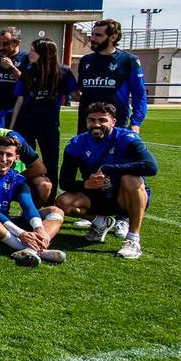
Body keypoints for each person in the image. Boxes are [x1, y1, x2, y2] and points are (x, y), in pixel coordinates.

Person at [57, 103, 158, 259]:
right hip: (97, 196)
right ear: (86, 122)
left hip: (124, 197)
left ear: (113, 122)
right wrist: (85, 184)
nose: (96, 124)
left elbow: (151, 167)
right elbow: (64, 182)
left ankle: (133, 239)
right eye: (92, 120)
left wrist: (109, 169)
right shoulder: (77, 144)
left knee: (132, 179)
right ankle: (101, 222)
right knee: (63, 202)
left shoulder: (126, 138)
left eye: (102, 120)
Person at [0, 135, 66, 266]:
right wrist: (21, 233)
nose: (3, 159)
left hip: (4, 225)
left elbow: (29, 208)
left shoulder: (18, 178)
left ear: (17, 158)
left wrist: (38, 228)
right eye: (0, 153)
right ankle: (27, 248)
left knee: (55, 211)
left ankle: (32, 249)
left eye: (9, 155)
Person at [11, 38, 76, 189]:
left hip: (49, 125)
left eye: (33, 50)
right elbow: (19, 101)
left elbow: (76, 94)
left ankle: (50, 203)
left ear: (45, 53)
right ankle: (29, 196)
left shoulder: (63, 73)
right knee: (26, 162)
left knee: (51, 163)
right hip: (26, 124)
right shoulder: (27, 72)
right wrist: (12, 126)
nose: (30, 53)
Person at [75, 19, 147, 133]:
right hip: (87, 125)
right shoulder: (85, 61)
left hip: (116, 125)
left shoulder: (128, 61)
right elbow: (80, 92)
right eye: (92, 34)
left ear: (113, 37)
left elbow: (139, 94)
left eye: (98, 35)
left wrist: (135, 123)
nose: (92, 38)